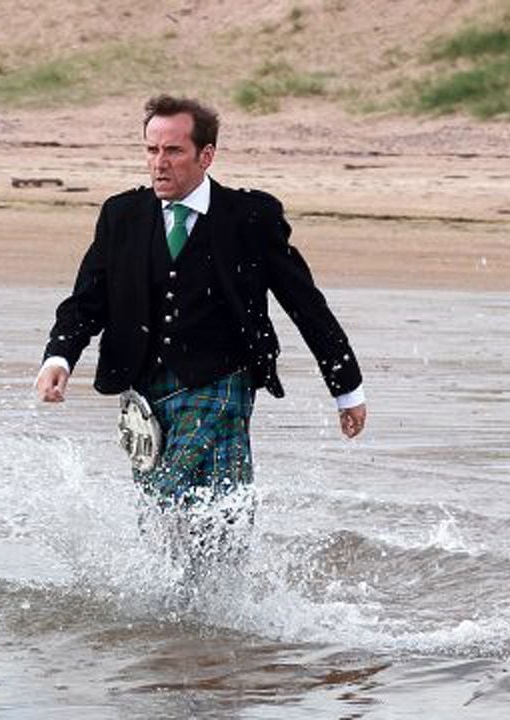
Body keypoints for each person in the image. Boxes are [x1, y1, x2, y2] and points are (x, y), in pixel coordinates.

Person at [35, 94, 367, 515]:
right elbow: (87, 300)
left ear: (205, 155)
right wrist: (59, 357)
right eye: (152, 150)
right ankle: (218, 559)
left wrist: (346, 389)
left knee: (168, 495)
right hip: (144, 388)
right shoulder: (122, 215)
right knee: (207, 509)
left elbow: (305, 304)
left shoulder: (249, 218)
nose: (159, 163)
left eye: (173, 151)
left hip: (222, 382)